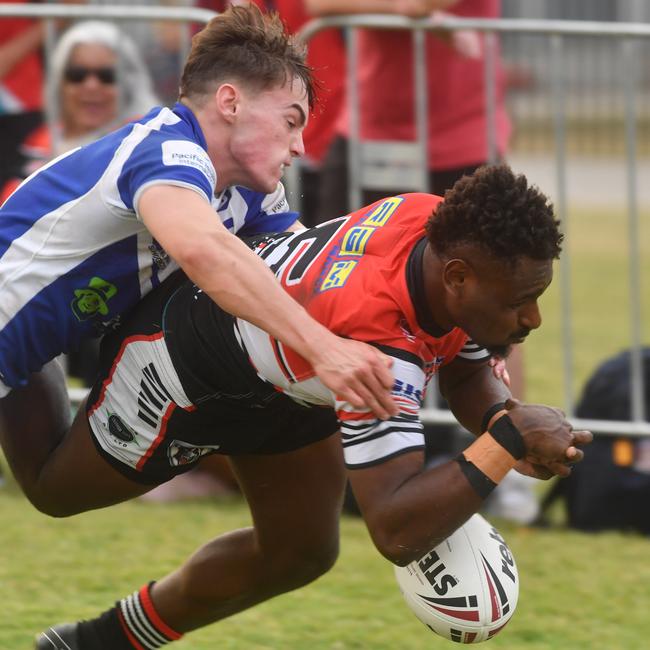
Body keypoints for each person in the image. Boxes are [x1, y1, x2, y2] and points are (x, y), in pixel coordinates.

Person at [32, 165, 592, 649]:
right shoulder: (379, 346)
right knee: (54, 488)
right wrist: (506, 443)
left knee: (300, 550)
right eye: (521, 301)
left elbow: (466, 367)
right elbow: (396, 529)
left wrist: (501, 418)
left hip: (291, 374)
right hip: (190, 362)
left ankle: (95, 642)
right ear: (458, 278)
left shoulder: (440, 232)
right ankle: (16, 337)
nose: (533, 319)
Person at [0, 4, 398, 512]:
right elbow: (206, 253)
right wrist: (325, 349)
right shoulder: (167, 150)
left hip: (25, 360)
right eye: (290, 121)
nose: (299, 145)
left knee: (52, 493)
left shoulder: (249, 192)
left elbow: (311, 272)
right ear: (230, 102)